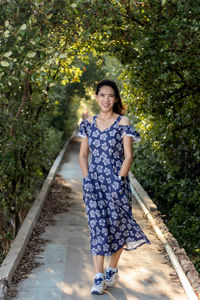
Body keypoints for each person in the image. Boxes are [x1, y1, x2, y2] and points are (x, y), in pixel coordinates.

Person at [79, 79, 150, 295]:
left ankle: (112, 269)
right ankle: (98, 277)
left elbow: (129, 156)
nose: (106, 99)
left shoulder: (122, 122)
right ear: (97, 97)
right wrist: (87, 179)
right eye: (102, 95)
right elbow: (83, 155)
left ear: (116, 98)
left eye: (110, 96)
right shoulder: (88, 123)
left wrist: (119, 180)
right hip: (94, 184)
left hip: (117, 184)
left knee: (117, 227)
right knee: (97, 227)